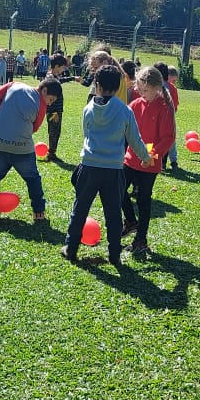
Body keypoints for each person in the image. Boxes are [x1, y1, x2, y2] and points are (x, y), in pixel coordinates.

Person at [60, 65, 150, 266]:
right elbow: (135, 140)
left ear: (97, 85)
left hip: (89, 167)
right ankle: (114, 254)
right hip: (114, 170)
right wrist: (145, 157)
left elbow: (86, 135)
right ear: (119, 85)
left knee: (80, 209)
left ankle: (71, 247)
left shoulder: (88, 108)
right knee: (113, 213)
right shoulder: (125, 111)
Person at [0, 78, 62, 224]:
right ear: (44, 91)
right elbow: (35, 128)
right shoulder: (41, 105)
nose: (50, 103)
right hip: (22, 149)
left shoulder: (13, 84)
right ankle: (39, 212)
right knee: (32, 179)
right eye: (50, 99)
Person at [120, 66, 176, 256]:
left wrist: (152, 155)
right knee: (117, 187)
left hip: (149, 164)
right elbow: (123, 124)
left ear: (156, 87)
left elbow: (168, 138)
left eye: (145, 90)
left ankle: (141, 239)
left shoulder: (164, 108)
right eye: (140, 90)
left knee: (143, 200)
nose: (142, 93)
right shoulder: (135, 105)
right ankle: (130, 221)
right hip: (130, 159)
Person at [41, 53, 71, 161]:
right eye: (63, 67)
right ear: (57, 66)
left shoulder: (54, 76)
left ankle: (52, 152)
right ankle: (51, 154)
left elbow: (61, 80)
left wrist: (72, 78)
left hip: (56, 111)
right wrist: (54, 113)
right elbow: (48, 98)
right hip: (53, 112)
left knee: (56, 131)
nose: (64, 70)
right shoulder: (50, 78)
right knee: (54, 131)